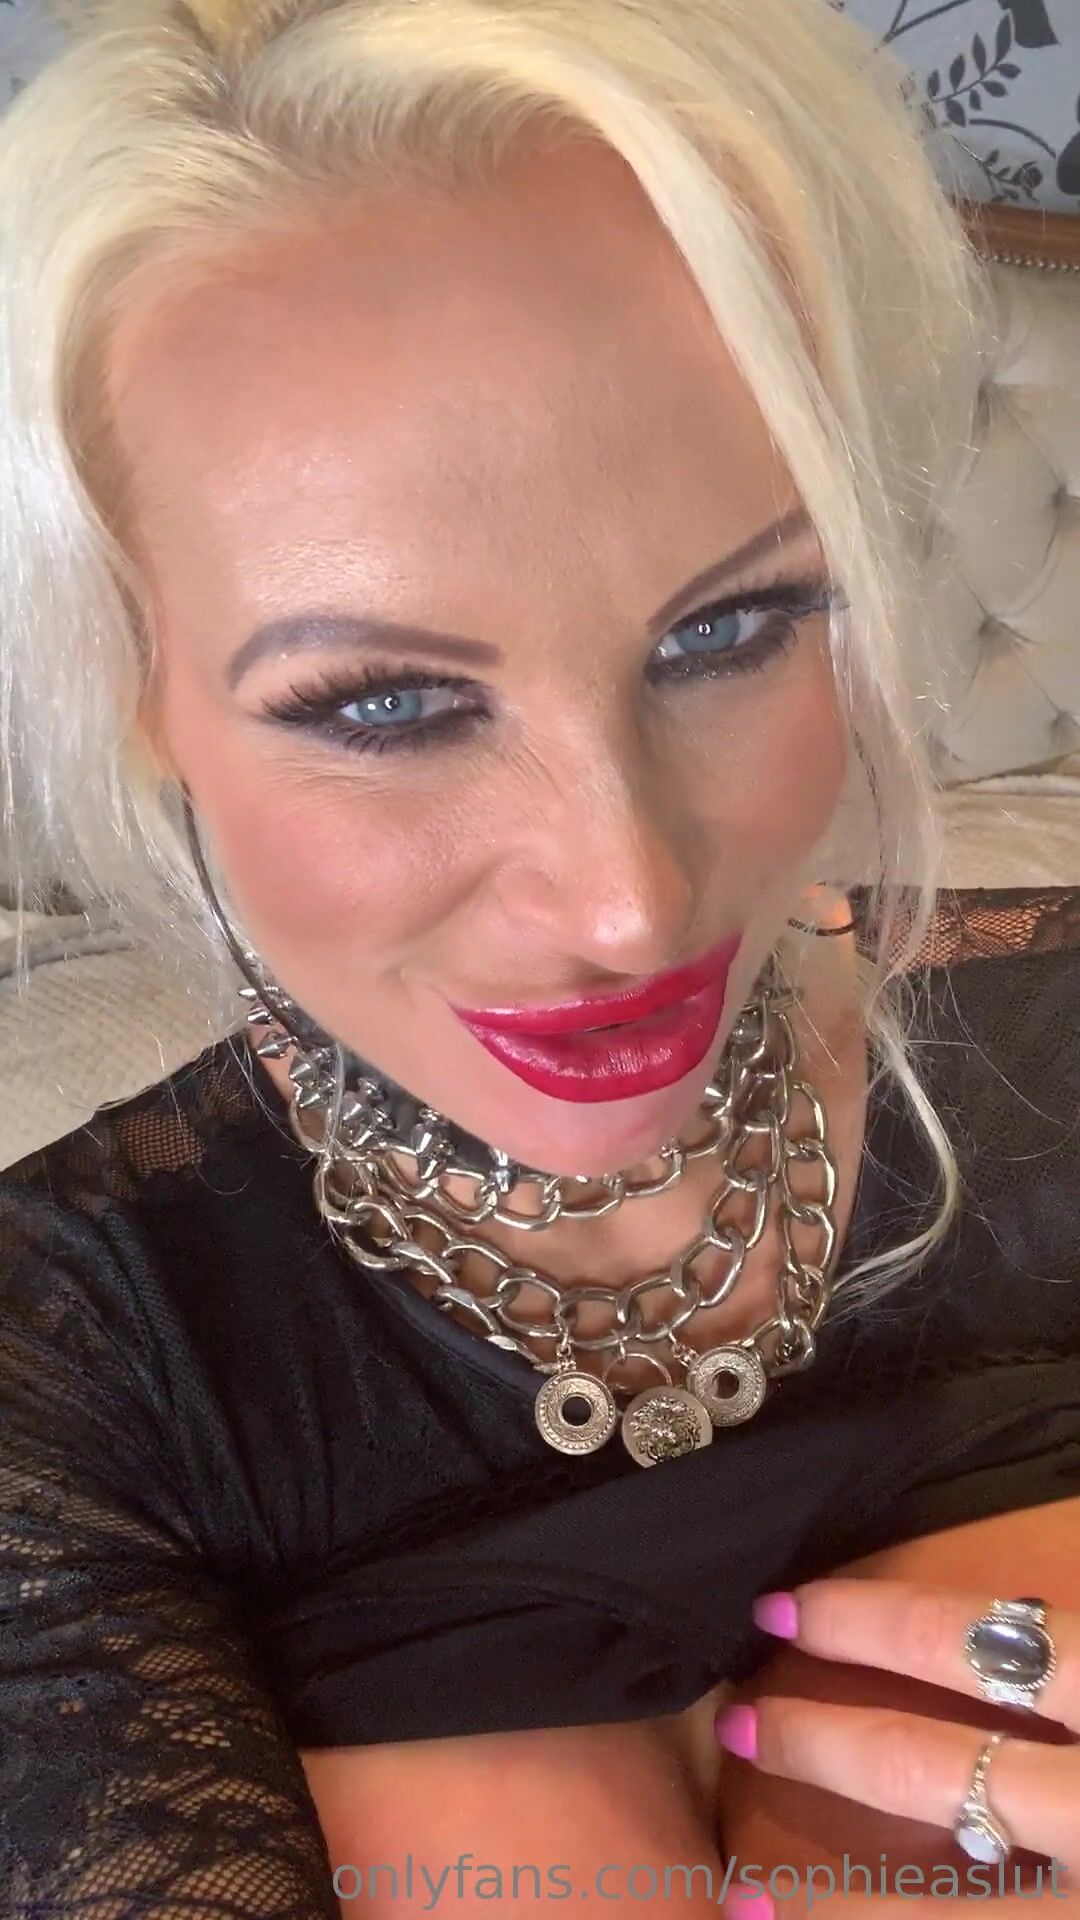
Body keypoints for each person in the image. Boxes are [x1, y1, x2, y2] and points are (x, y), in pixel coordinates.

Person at [0, 0, 1076, 1912]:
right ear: (132, 686)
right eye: (386, 703)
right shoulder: (68, 1379)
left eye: (729, 630)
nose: (628, 903)